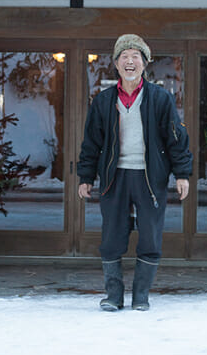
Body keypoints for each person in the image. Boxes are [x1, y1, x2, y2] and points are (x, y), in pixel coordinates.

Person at [77, 34, 192, 311]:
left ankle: (141, 295)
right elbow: (91, 142)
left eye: (135, 56)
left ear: (145, 63)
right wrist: (85, 177)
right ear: (116, 63)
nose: (130, 61)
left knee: (150, 235)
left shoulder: (160, 98)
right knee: (111, 235)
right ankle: (114, 296)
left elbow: (176, 138)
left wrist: (182, 174)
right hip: (114, 177)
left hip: (149, 177)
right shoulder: (103, 101)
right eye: (124, 56)